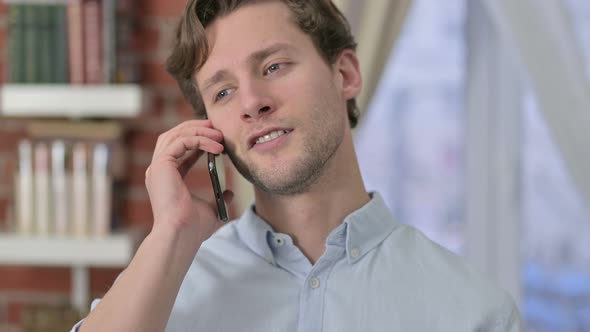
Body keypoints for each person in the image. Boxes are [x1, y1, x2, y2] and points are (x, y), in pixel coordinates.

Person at [74, 0, 522, 331]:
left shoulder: (474, 313)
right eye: (223, 92)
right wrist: (170, 235)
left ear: (344, 74)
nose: (252, 102)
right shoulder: (161, 293)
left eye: (273, 66)